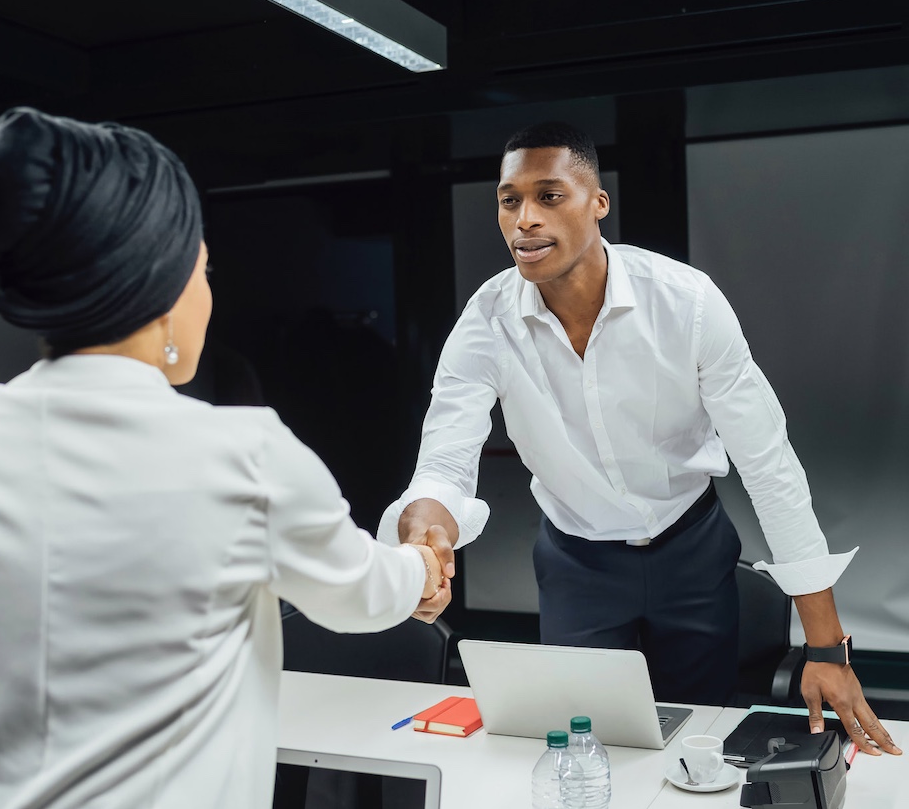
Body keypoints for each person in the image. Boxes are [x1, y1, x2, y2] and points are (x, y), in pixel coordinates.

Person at [0, 107, 445, 809]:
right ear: (161, 286)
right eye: (204, 268)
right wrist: (423, 567)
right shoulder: (242, 454)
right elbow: (362, 594)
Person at [379, 121, 900, 757]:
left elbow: (769, 468)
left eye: (550, 196)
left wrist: (826, 648)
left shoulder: (687, 303)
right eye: (509, 200)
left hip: (692, 547)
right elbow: (444, 463)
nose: (524, 220)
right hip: (578, 564)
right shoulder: (485, 323)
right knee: (582, 749)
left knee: (700, 744)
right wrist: (424, 539)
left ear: (598, 203)